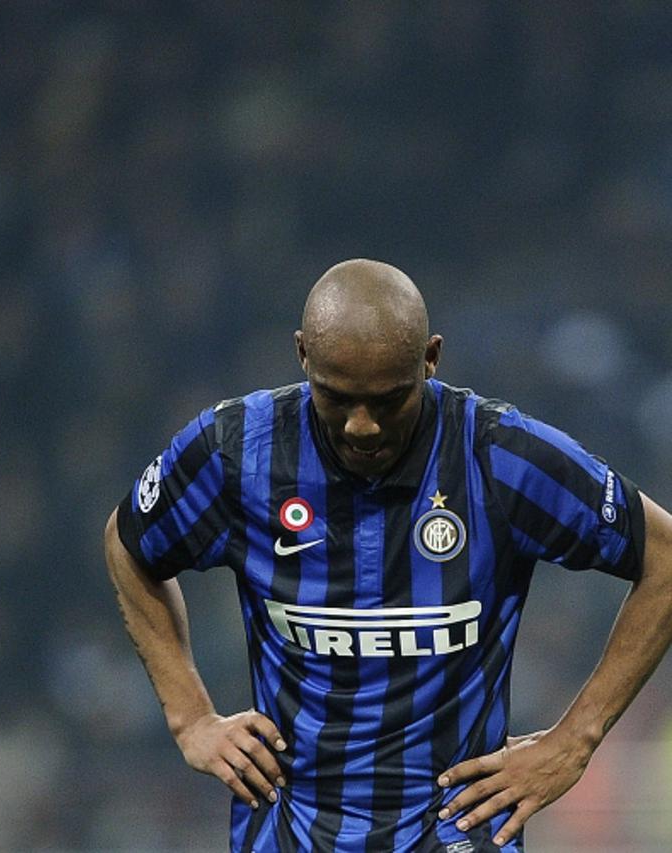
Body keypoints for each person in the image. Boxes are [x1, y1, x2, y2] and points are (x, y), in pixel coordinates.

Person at [103, 258, 672, 851]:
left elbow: (666, 558)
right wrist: (190, 717)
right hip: (290, 829)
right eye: (337, 397)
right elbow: (129, 542)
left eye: (389, 399)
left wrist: (575, 740)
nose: (362, 426)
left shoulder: (500, 456)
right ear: (302, 355)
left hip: (454, 829)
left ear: (431, 358)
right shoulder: (237, 452)